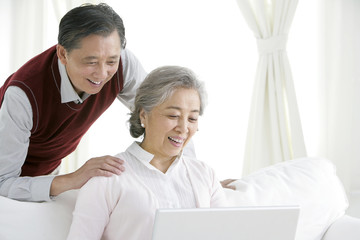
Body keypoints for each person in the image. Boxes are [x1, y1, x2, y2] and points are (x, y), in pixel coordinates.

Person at [0, 3, 147, 202]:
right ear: (62, 54)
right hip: (9, 188)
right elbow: (3, 182)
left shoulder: (122, 62)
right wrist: (74, 178)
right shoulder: (22, 95)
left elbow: (158, 111)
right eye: (91, 62)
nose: (103, 74)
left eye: (111, 61)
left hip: (47, 177)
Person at [66, 66, 228, 240]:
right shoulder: (106, 177)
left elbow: (226, 234)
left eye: (192, 119)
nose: (183, 128)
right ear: (143, 115)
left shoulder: (205, 175)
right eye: (173, 115)